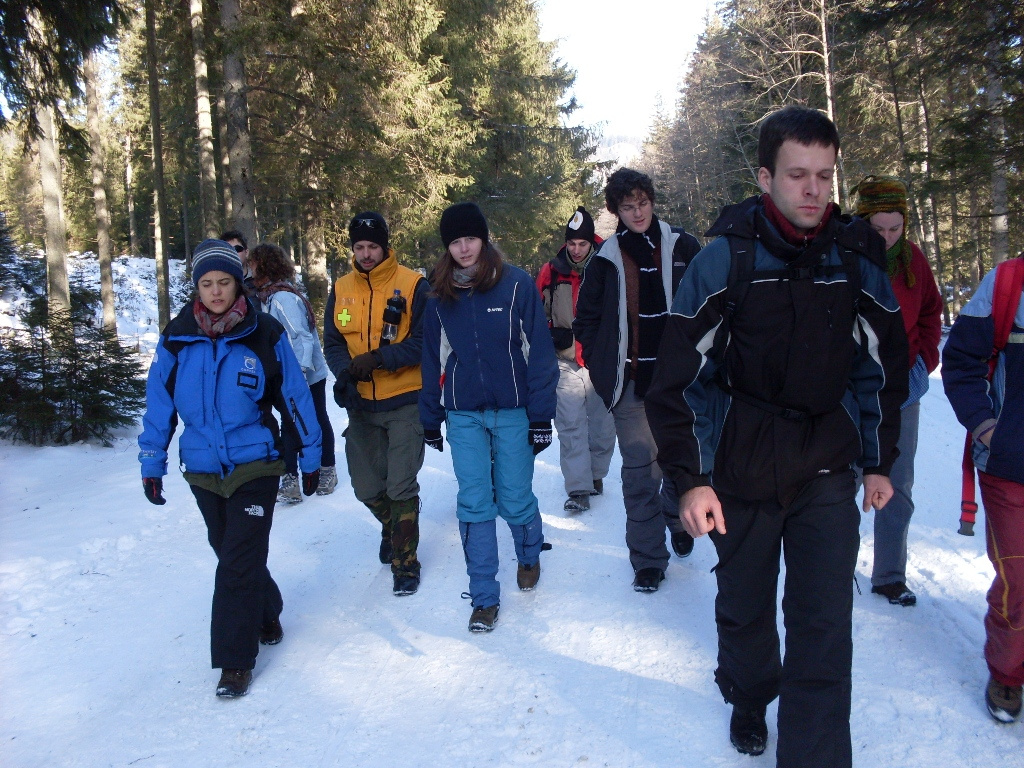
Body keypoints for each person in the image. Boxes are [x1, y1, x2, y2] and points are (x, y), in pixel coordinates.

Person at [645, 106, 908, 765]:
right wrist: (691, 478)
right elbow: (676, 380)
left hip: (824, 462)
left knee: (823, 626)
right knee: (747, 611)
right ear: (765, 177)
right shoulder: (723, 262)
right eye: (797, 175)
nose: (814, 190)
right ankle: (749, 693)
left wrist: (878, 463)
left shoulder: (854, 262)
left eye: (825, 175)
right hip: (741, 464)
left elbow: (882, 368)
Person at [138, 238, 322, 698]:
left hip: (255, 464)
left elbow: (295, 400)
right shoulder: (177, 337)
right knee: (230, 552)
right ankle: (268, 608)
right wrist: (152, 461)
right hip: (201, 468)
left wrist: (311, 454)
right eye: (207, 283)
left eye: (224, 282)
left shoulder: (263, 334)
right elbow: (159, 405)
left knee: (236, 562)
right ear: (196, 287)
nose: (216, 292)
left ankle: (235, 661)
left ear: (238, 284)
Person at [419, 201, 559, 632]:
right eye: (455, 241)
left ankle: (529, 554)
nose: (463, 248)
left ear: (484, 238)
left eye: (470, 239)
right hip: (463, 415)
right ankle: (483, 596)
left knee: (515, 497)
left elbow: (540, 355)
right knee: (475, 501)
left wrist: (540, 416)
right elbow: (431, 359)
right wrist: (430, 416)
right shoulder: (439, 295)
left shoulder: (515, 285)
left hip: (514, 410)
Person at [572, 168, 701, 593]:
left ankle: (678, 517)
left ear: (652, 201)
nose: (637, 212)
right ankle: (647, 559)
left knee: (679, 463)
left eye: (642, 202)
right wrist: (603, 363)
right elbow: (585, 319)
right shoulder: (606, 258)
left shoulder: (682, 245)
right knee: (640, 473)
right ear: (616, 211)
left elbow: (711, 302)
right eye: (627, 206)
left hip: (683, 384)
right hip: (631, 385)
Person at [323, 212, 428, 596]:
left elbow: (423, 344)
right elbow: (333, 343)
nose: (366, 254)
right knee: (367, 487)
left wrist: (381, 359)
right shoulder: (341, 288)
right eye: (359, 247)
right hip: (362, 406)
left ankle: (406, 563)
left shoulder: (414, 285)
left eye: (373, 246)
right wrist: (345, 374)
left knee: (400, 486)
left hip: (404, 401)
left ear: (385, 246)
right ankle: (394, 527)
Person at [852, 176, 943, 607]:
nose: (887, 238)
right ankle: (833, 567)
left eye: (895, 228)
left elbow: (931, 313)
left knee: (896, 482)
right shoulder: (843, 256)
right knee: (842, 480)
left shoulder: (914, 263)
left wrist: (925, 361)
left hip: (902, 388)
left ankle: (890, 575)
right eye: (878, 229)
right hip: (849, 390)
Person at [942, 254, 1024, 724]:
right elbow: (960, 360)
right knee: (1018, 577)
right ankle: (1008, 673)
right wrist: (987, 427)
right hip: (1010, 466)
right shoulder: (1008, 282)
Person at [536, 206, 616, 513]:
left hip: (600, 359)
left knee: (602, 425)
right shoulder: (551, 271)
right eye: (572, 243)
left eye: (582, 244)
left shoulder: (609, 266)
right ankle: (578, 487)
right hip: (564, 359)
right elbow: (535, 315)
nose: (577, 249)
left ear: (591, 243)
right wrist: (550, 335)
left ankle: (596, 475)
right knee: (570, 424)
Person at [247, 243, 337, 502]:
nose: (250, 270)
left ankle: (327, 469)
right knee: (289, 422)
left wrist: (295, 376)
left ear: (264, 265)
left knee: (316, 418)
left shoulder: (284, 298)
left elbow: (301, 338)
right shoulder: (268, 296)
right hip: (285, 377)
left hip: (305, 376)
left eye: (252, 265)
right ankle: (291, 479)